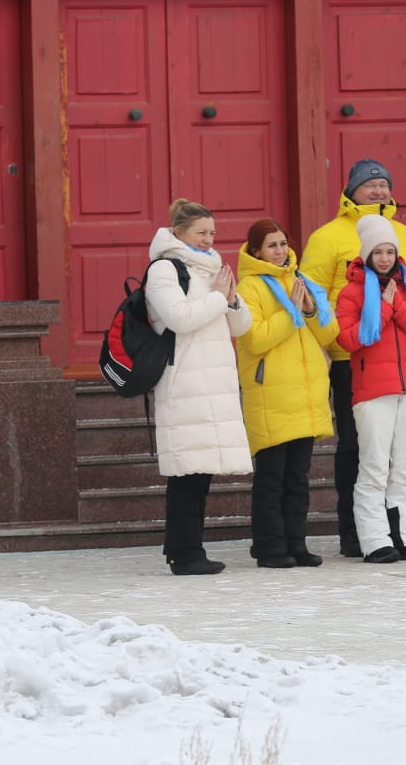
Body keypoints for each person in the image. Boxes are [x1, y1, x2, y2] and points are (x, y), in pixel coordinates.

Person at [300, 159, 406, 558]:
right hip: (352, 358)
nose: (378, 191)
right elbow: (314, 297)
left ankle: (401, 533)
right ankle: (356, 531)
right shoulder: (327, 238)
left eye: (384, 183)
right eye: (370, 185)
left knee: (403, 457)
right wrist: (324, 347)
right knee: (358, 451)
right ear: (352, 190)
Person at [145, 198, 253, 576]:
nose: (209, 239)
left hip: (215, 379)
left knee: (201, 471)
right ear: (179, 232)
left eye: (212, 233)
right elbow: (180, 318)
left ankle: (185, 548)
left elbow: (241, 327)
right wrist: (217, 298)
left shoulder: (211, 270)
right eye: (201, 233)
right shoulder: (164, 269)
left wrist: (232, 299)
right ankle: (185, 552)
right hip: (185, 379)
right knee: (186, 472)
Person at [334, 214, 406, 563]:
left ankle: (405, 534)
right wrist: (383, 306)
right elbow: (351, 339)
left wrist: (397, 304)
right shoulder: (351, 292)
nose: (384, 258)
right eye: (378, 252)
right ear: (366, 255)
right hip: (372, 392)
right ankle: (375, 538)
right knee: (375, 466)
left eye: (390, 251)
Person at [235, 218, 340, 569]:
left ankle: (296, 543)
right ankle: (269, 546)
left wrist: (309, 309)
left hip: (305, 395)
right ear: (256, 251)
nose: (280, 251)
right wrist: (291, 311)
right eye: (272, 246)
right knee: (272, 478)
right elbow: (256, 338)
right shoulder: (249, 287)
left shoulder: (301, 279)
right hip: (271, 394)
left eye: (282, 243)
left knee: (298, 478)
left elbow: (330, 333)